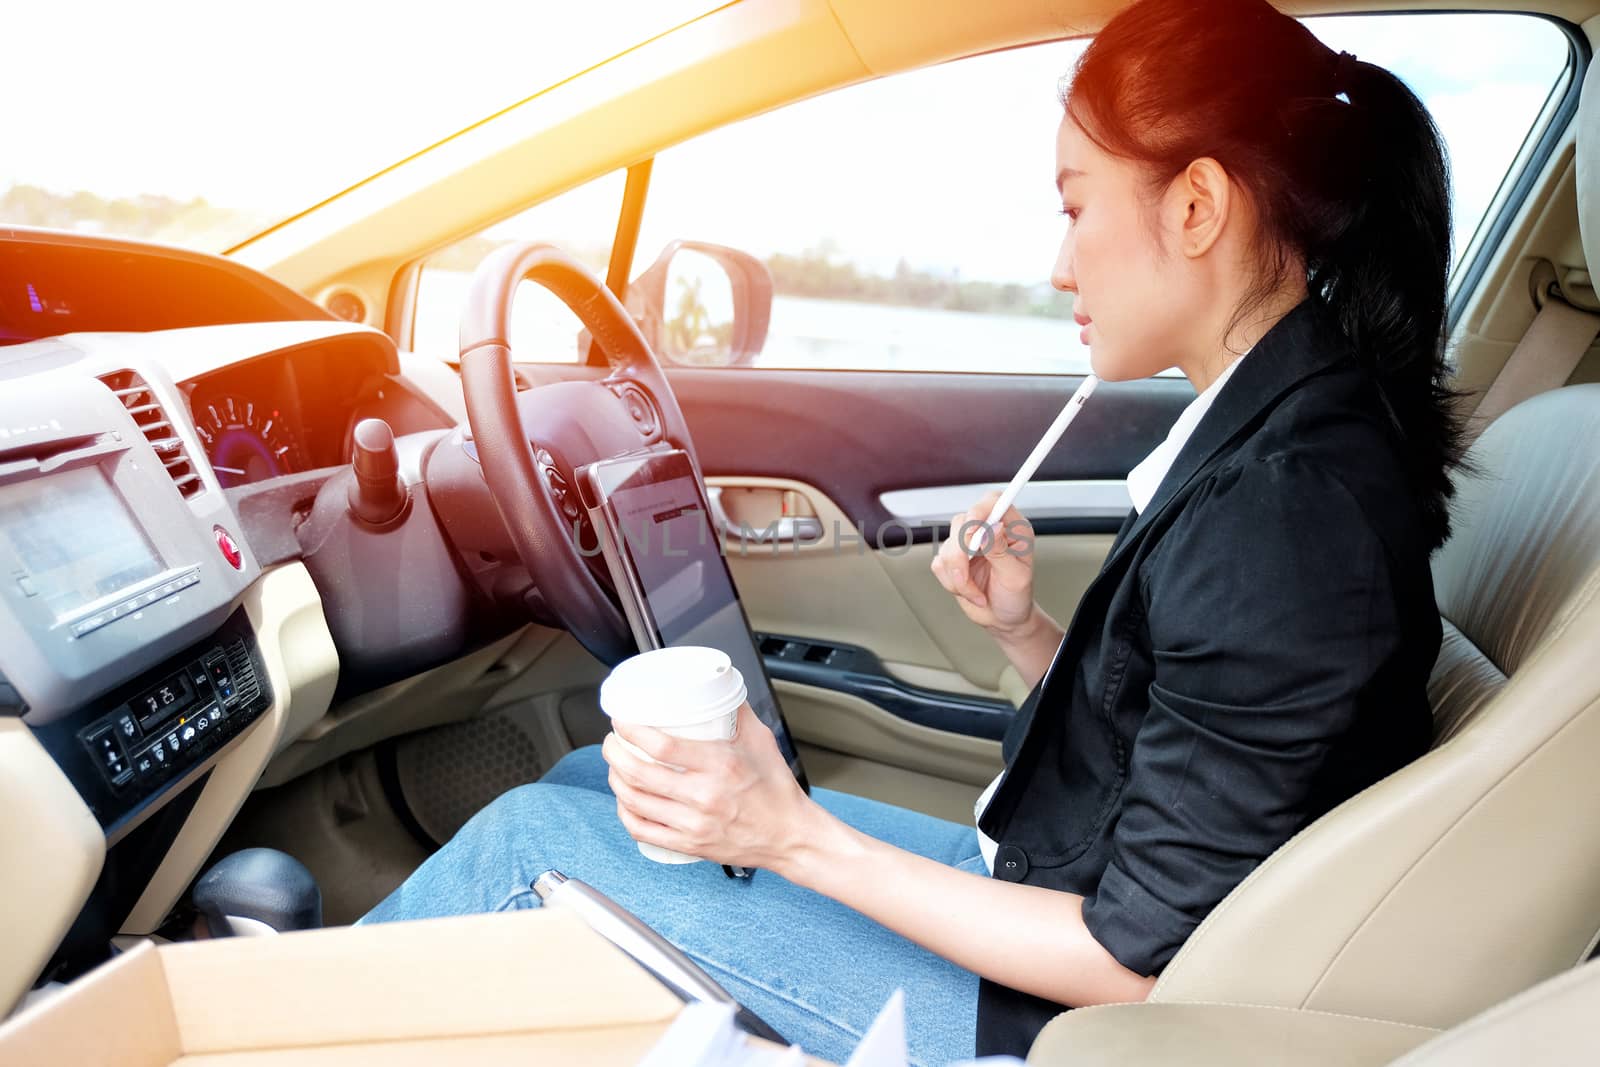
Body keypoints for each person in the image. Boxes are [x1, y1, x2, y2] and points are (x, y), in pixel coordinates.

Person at [358, 0, 1463, 1061]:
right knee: (588, 789)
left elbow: (1138, 960)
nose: (1059, 263)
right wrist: (1027, 633)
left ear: (1195, 206)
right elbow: (1183, 757)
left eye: (1076, 206)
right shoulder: (1283, 432)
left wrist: (787, 834)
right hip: (1049, 902)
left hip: (1060, 1021)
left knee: (522, 846)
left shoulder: (1284, 508)